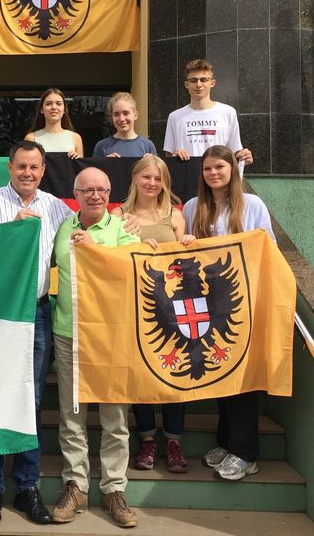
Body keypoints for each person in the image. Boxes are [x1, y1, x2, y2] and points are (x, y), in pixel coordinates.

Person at [0, 140, 71, 528]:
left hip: (39, 312)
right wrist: (10, 232)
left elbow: (80, 247)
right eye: (21, 166)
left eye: (34, 168)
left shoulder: (57, 208)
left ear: (43, 171)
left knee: (30, 399)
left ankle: (27, 486)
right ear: (9, 167)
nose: (27, 173)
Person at [51, 167, 140, 528]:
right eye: (87, 190)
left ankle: (114, 489)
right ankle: (76, 486)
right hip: (67, 331)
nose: (95, 196)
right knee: (71, 414)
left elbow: (132, 269)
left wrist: (97, 248)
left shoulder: (123, 229)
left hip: (110, 335)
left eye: (102, 189)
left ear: (110, 192)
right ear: (76, 192)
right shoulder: (62, 227)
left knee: (115, 416)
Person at [181, 145, 274, 481]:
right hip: (206, 307)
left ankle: (246, 453)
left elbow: (268, 251)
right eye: (207, 169)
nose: (214, 174)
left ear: (232, 169)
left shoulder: (252, 205)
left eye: (219, 167)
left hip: (241, 305)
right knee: (219, 374)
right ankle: (226, 441)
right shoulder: (193, 207)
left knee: (242, 380)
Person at [110, 155, 195, 473]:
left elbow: (186, 262)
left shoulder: (174, 216)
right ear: (134, 179)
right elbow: (111, 257)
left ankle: (174, 441)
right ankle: (146, 439)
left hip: (172, 309)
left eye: (158, 179)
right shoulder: (119, 214)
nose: (152, 183)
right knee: (142, 372)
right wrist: (132, 244)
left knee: (177, 374)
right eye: (146, 177)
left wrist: (186, 242)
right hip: (135, 308)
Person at [163, 59, 253, 168]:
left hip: (218, 179)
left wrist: (244, 157)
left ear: (212, 83)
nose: (199, 84)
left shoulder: (228, 112)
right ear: (186, 84)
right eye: (193, 80)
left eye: (204, 79)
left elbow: (235, 153)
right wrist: (174, 157)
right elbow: (169, 157)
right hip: (187, 178)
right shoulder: (175, 117)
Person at [93, 92, 157, 158]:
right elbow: (93, 168)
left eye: (126, 113)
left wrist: (149, 163)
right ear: (111, 117)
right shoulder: (101, 146)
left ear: (135, 115)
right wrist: (105, 163)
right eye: (116, 114)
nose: (121, 119)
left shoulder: (147, 146)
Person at [24, 88, 83, 159]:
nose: (54, 107)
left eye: (58, 104)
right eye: (48, 104)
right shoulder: (31, 138)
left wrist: (77, 159)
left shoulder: (75, 138)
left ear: (64, 110)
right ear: (41, 109)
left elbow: (80, 169)